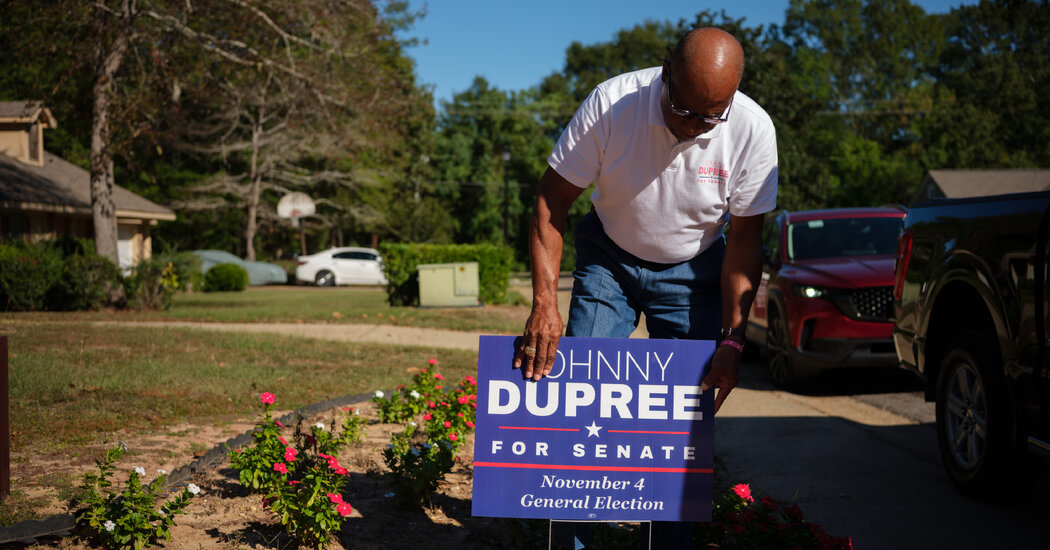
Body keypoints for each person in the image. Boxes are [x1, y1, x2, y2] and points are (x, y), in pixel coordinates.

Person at [511, 27, 778, 549]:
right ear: (665, 73)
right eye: (685, 110)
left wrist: (732, 339)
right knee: (578, 400)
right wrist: (545, 303)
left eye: (712, 114)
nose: (697, 127)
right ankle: (571, 538)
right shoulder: (613, 104)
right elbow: (551, 202)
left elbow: (746, 241)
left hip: (696, 270)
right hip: (609, 258)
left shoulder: (752, 130)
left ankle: (670, 541)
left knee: (682, 422)